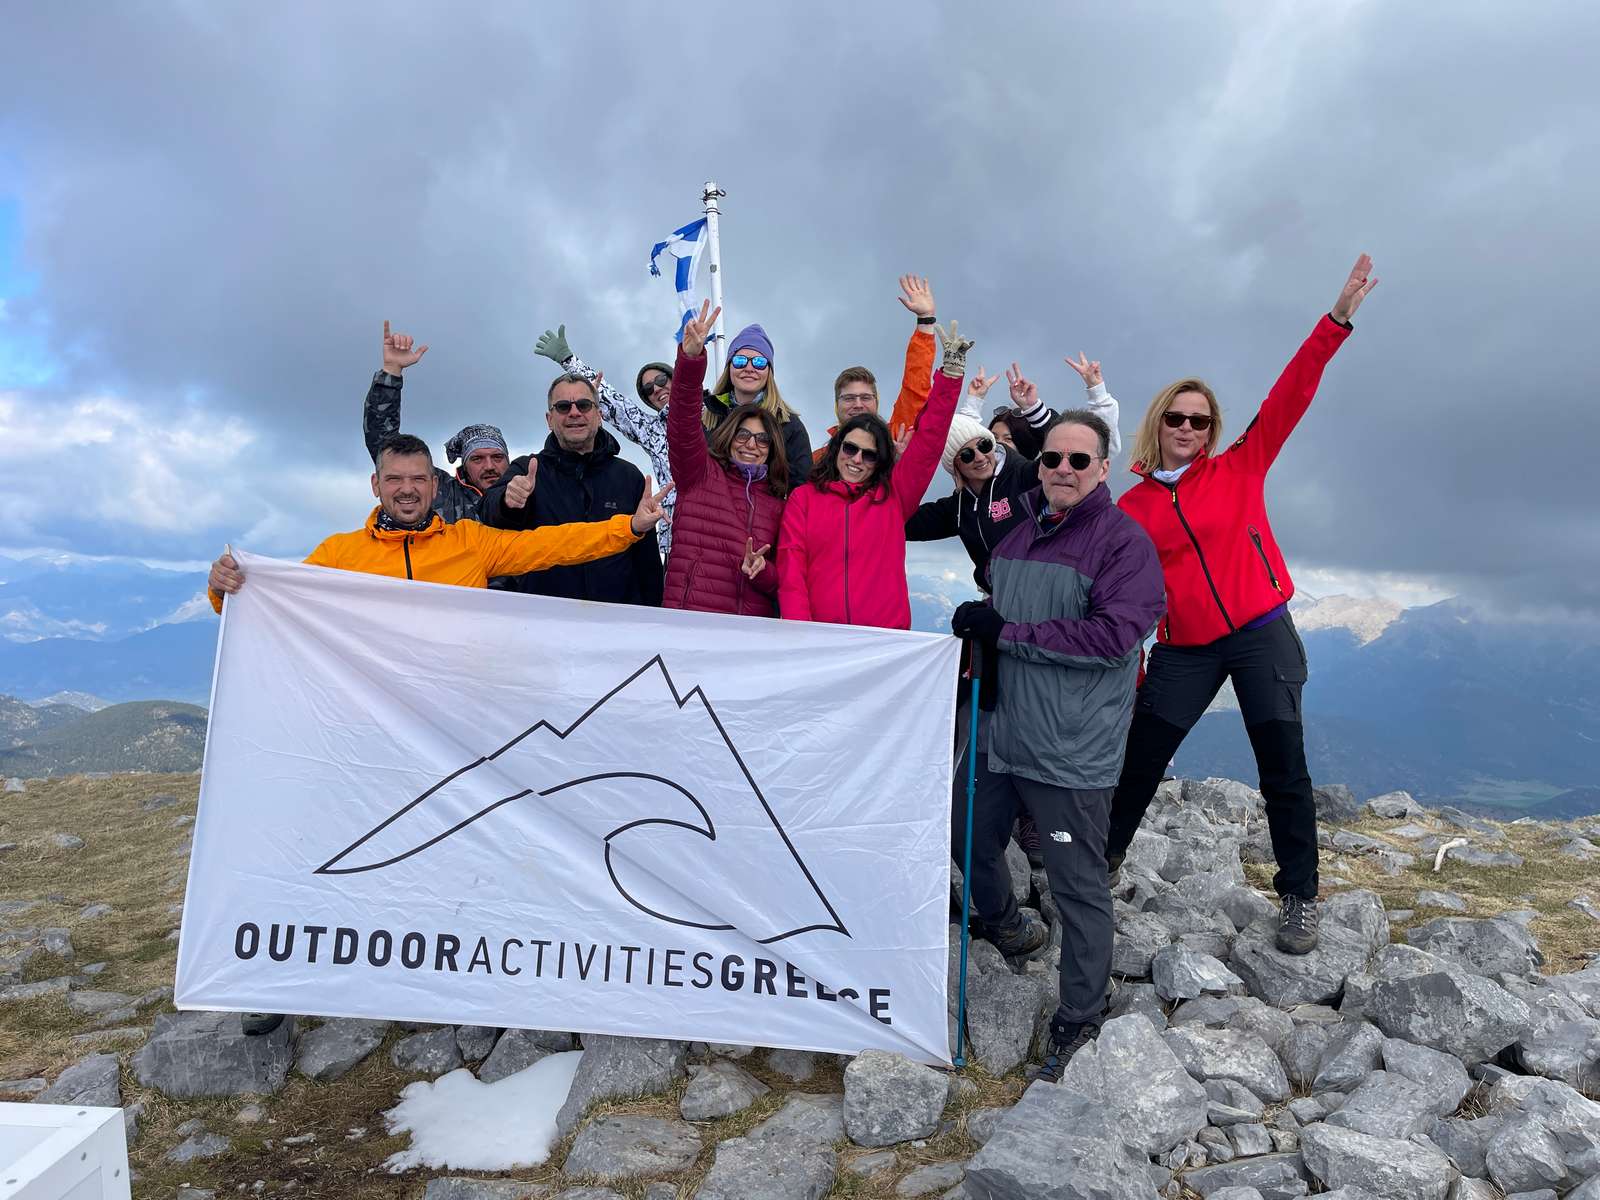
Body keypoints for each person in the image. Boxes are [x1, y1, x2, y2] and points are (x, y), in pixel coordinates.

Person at [205, 432, 668, 1037]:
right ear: (376, 486)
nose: (407, 490)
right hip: (367, 737)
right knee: (327, 845)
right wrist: (223, 587)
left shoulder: (469, 542)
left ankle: (473, 970)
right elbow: (268, 599)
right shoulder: (341, 553)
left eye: (418, 479)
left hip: (455, 734)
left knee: (468, 848)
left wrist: (628, 528)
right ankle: (271, 979)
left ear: (434, 484)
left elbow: (549, 546)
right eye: (395, 479)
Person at [1106, 254, 1380, 957]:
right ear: (1158, 423)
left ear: (1212, 428)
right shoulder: (1132, 508)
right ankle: (1101, 862)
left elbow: (1292, 393)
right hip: (1185, 646)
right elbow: (1119, 587)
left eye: (1199, 420)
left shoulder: (1241, 465)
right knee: (1141, 758)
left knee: (1282, 765)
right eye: (1176, 417)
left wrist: (1336, 319)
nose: (1188, 428)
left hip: (1262, 632)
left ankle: (1300, 897)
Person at [949, 410, 1164, 1081]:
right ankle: (1006, 923)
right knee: (965, 835)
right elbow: (1003, 609)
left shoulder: (1124, 544)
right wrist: (982, 629)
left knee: (1077, 886)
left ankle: (1080, 1014)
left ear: (1103, 468)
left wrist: (1007, 632)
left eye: (1078, 460)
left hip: (1069, 748)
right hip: (1000, 730)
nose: (1062, 470)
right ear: (1037, 465)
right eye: (1051, 459)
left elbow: (1114, 639)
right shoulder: (1018, 532)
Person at [779, 323, 969, 629]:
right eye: (850, 448)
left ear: (880, 460)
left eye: (869, 454)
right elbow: (791, 570)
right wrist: (801, 633)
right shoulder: (804, 498)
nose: (857, 459)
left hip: (884, 644)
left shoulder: (894, 496)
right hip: (819, 639)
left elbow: (930, 440)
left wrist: (950, 376)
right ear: (837, 447)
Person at [906, 357, 1121, 593]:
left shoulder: (1027, 477)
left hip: (1045, 595)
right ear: (954, 467)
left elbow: (1073, 450)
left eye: (985, 445)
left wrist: (1034, 408)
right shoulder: (958, 507)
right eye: (966, 456)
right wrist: (898, 462)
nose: (979, 457)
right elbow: (899, 522)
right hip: (997, 600)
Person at [479, 374, 666, 606]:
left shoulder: (629, 477)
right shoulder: (527, 469)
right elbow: (488, 512)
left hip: (617, 618)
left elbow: (647, 564)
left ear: (599, 415)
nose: (574, 413)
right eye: (563, 407)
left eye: (584, 405)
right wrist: (508, 502)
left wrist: (653, 615)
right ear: (549, 419)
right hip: (545, 617)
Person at [658, 301, 790, 616]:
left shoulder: (777, 502)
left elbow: (784, 579)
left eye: (762, 439)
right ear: (729, 437)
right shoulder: (699, 474)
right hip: (690, 621)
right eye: (743, 435)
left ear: (772, 449)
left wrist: (763, 571)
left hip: (749, 631)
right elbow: (682, 423)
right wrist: (691, 359)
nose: (751, 445)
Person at [533, 324, 680, 558]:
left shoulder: (715, 413)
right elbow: (615, 404)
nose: (656, 388)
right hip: (679, 533)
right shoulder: (652, 431)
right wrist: (569, 360)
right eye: (648, 388)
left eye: (661, 379)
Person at [363, 321, 512, 523]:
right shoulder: (442, 491)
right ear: (464, 465)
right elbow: (384, 443)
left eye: (497, 457)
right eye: (477, 459)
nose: (489, 466)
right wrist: (392, 370)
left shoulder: (531, 491)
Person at [810, 275, 939, 466]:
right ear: (837, 405)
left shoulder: (893, 441)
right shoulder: (818, 460)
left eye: (865, 397)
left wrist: (925, 320)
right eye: (849, 398)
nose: (858, 404)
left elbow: (915, 388)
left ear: (876, 402)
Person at [702, 324, 813, 483]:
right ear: (729, 367)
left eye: (759, 362)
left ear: (769, 371)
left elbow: (801, 484)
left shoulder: (789, 424)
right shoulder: (709, 417)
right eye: (740, 361)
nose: (749, 368)